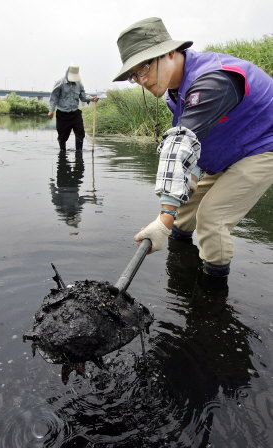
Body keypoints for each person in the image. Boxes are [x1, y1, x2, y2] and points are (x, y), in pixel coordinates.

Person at [113, 17, 273, 277]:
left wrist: (163, 219)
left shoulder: (213, 80)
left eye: (143, 68)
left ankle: (212, 299)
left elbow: (179, 144)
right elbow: (197, 141)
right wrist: (188, 182)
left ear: (171, 53)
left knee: (212, 219)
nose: (141, 79)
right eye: (134, 75)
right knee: (184, 210)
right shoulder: (173, 94)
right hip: (226, 150)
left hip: (262, 147)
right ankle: (180, 279)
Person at [48, 65, 98, 151]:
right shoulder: (60, 83)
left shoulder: (79, 83)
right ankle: (62, 152)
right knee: (63, 137)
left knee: (80, 134)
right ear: (67, 73)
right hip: (62, 114)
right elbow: (54, 97)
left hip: (75, 114)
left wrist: (91, 98)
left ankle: (79, 154)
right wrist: (51, 111)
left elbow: (83, 96)